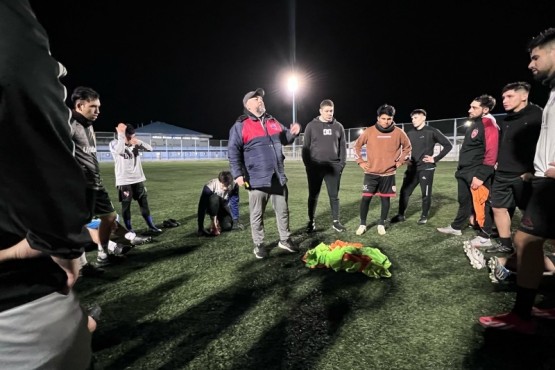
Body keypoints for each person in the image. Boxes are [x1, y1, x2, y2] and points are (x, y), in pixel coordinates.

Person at [0, 1, 94, 368]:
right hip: (19, 314)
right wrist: (61, 242)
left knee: (104, 221)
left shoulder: (85, 127)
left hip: (92, 192)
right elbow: (20, 77)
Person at [479, 28, 555, 334]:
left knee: (526, 242)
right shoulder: (552, 92)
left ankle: (521, 316)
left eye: (536, 57)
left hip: (550, 184)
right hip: (541, 180)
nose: (530, 64)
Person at [228, 88, 301, 259]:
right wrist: (238, 174)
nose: (260, 100)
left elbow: (285, 138)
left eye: (261, 98)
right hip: (257, 178)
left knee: (283, 211)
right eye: (256, 99)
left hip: (278, 176)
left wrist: (293, 133)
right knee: (257, 213)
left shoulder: (272, 121)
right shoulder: (240, 125)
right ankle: (259, 244)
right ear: (248, 105)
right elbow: (233, 151)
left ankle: (285, 239)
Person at [487, 82, 542, 253]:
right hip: (502, 172)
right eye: (503, 97)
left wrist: (532, 171)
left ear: (524, 96)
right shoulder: (506, 119)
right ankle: (505, 244)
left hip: (524, 175)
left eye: (509, 96)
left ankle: (538, 248)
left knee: (530, 213)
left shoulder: (538, 115)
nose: (504, 100)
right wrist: (497, 161)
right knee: (498, 207)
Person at [70, 86, 120, 268]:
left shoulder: (88, 125)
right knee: (76, 226)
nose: (98, 111)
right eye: (93, 107)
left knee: (110, 216)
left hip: (96, 183)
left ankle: (103, 255)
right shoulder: (69, 125)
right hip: (80, 186)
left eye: (98, 107)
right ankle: (82, 266)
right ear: (79, 105)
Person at [437, 95, 499, 240]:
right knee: (464, 201)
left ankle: (485, 235)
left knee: (482, 202)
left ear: (485, 109)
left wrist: (481, 175)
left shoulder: (489, 124)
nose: (469, 110)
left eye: (474, 107)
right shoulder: (476, 123)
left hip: (476, 172)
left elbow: (492, 152)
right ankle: (457, 227)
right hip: (464, 171)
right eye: (471, 106)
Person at [353, 104, 412, 235]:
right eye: (383, 118)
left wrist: (400, 161)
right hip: (371, 173)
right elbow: (356, 146)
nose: (386, 121)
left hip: (388, 173)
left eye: (389, 119)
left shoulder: (399, 132)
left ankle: (381, 223)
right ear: (378, 118)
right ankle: (362, 224)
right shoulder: (369, 131)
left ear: (392, 118)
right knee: (366, 199)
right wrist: (361, 162)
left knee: (385, 199)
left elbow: (408, 148)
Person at [390, 109, 452, 225]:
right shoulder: (409, 133)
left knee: (426, 194)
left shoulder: (432, 131)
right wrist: (406, 159)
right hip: (412, 169)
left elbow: (448, 145)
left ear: (423, 118)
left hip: (426, 168)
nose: (413, 120)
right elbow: (405, 149)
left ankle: (424, 216)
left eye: (416, 117)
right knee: (405, 192)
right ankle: (400, 215)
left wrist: (435, 158)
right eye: (412, 118)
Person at [302, 99, 347, 233]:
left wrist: (341, 165)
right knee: (313, 195)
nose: (329, 114)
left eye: (331, 111)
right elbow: (305, 148)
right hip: (315, 168)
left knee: (334, 196)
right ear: (320, 111)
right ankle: (311, 221)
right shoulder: (311, 126)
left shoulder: (338, 126)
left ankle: (336, 221)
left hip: (333, 167)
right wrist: (309, 166)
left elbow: (343, 148)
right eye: (326, 111)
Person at [109, 122, 162, 235]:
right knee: (126, 206)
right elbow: (119, 151)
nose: (131, 138)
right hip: (124, 181)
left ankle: (151, 226)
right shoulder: (114, 143)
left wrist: (138, 142)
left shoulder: (135, 143)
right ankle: (129, 229)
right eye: (129, 136)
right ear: (124, 134)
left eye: (133, 136)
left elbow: (150, 149)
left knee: (144, 204)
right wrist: (122, 137)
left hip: (138, 179)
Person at [197, 170, 242, 236]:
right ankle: (214, 222)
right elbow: (202, 207)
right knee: (214, 198)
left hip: (222, 207)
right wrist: (200, 227)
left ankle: (218, 221)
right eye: (223, 185)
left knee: (227, 226)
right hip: (210, 207)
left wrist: (236, 221)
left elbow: (234, 203)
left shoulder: (234, 185)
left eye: (228, 185)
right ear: (219, 181)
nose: (226, 188)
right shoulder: (210, 186)